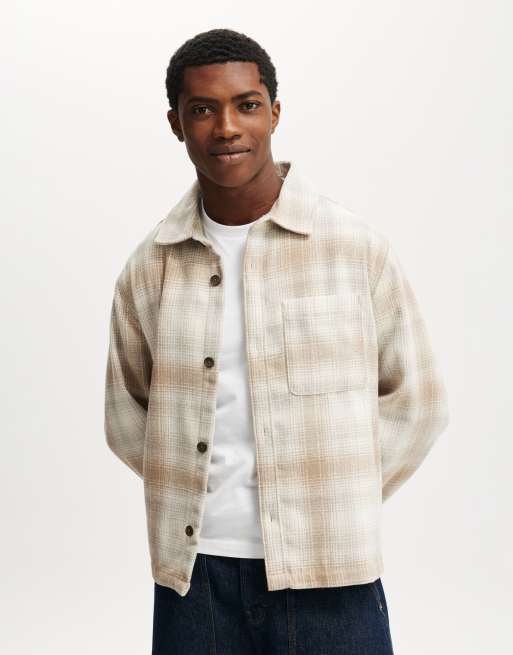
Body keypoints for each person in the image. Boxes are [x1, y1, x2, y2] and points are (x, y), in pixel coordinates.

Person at [104, 27, 449, 655]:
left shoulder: (353, 250)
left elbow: (418, 402)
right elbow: (126, 413)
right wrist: (185, 483)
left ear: (275, 113)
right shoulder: (151, 267)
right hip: (195, 581)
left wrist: (336, 494)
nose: (226, 127)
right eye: (202, 109)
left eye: (247, 104)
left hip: (332, 579)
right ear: (176, 124)